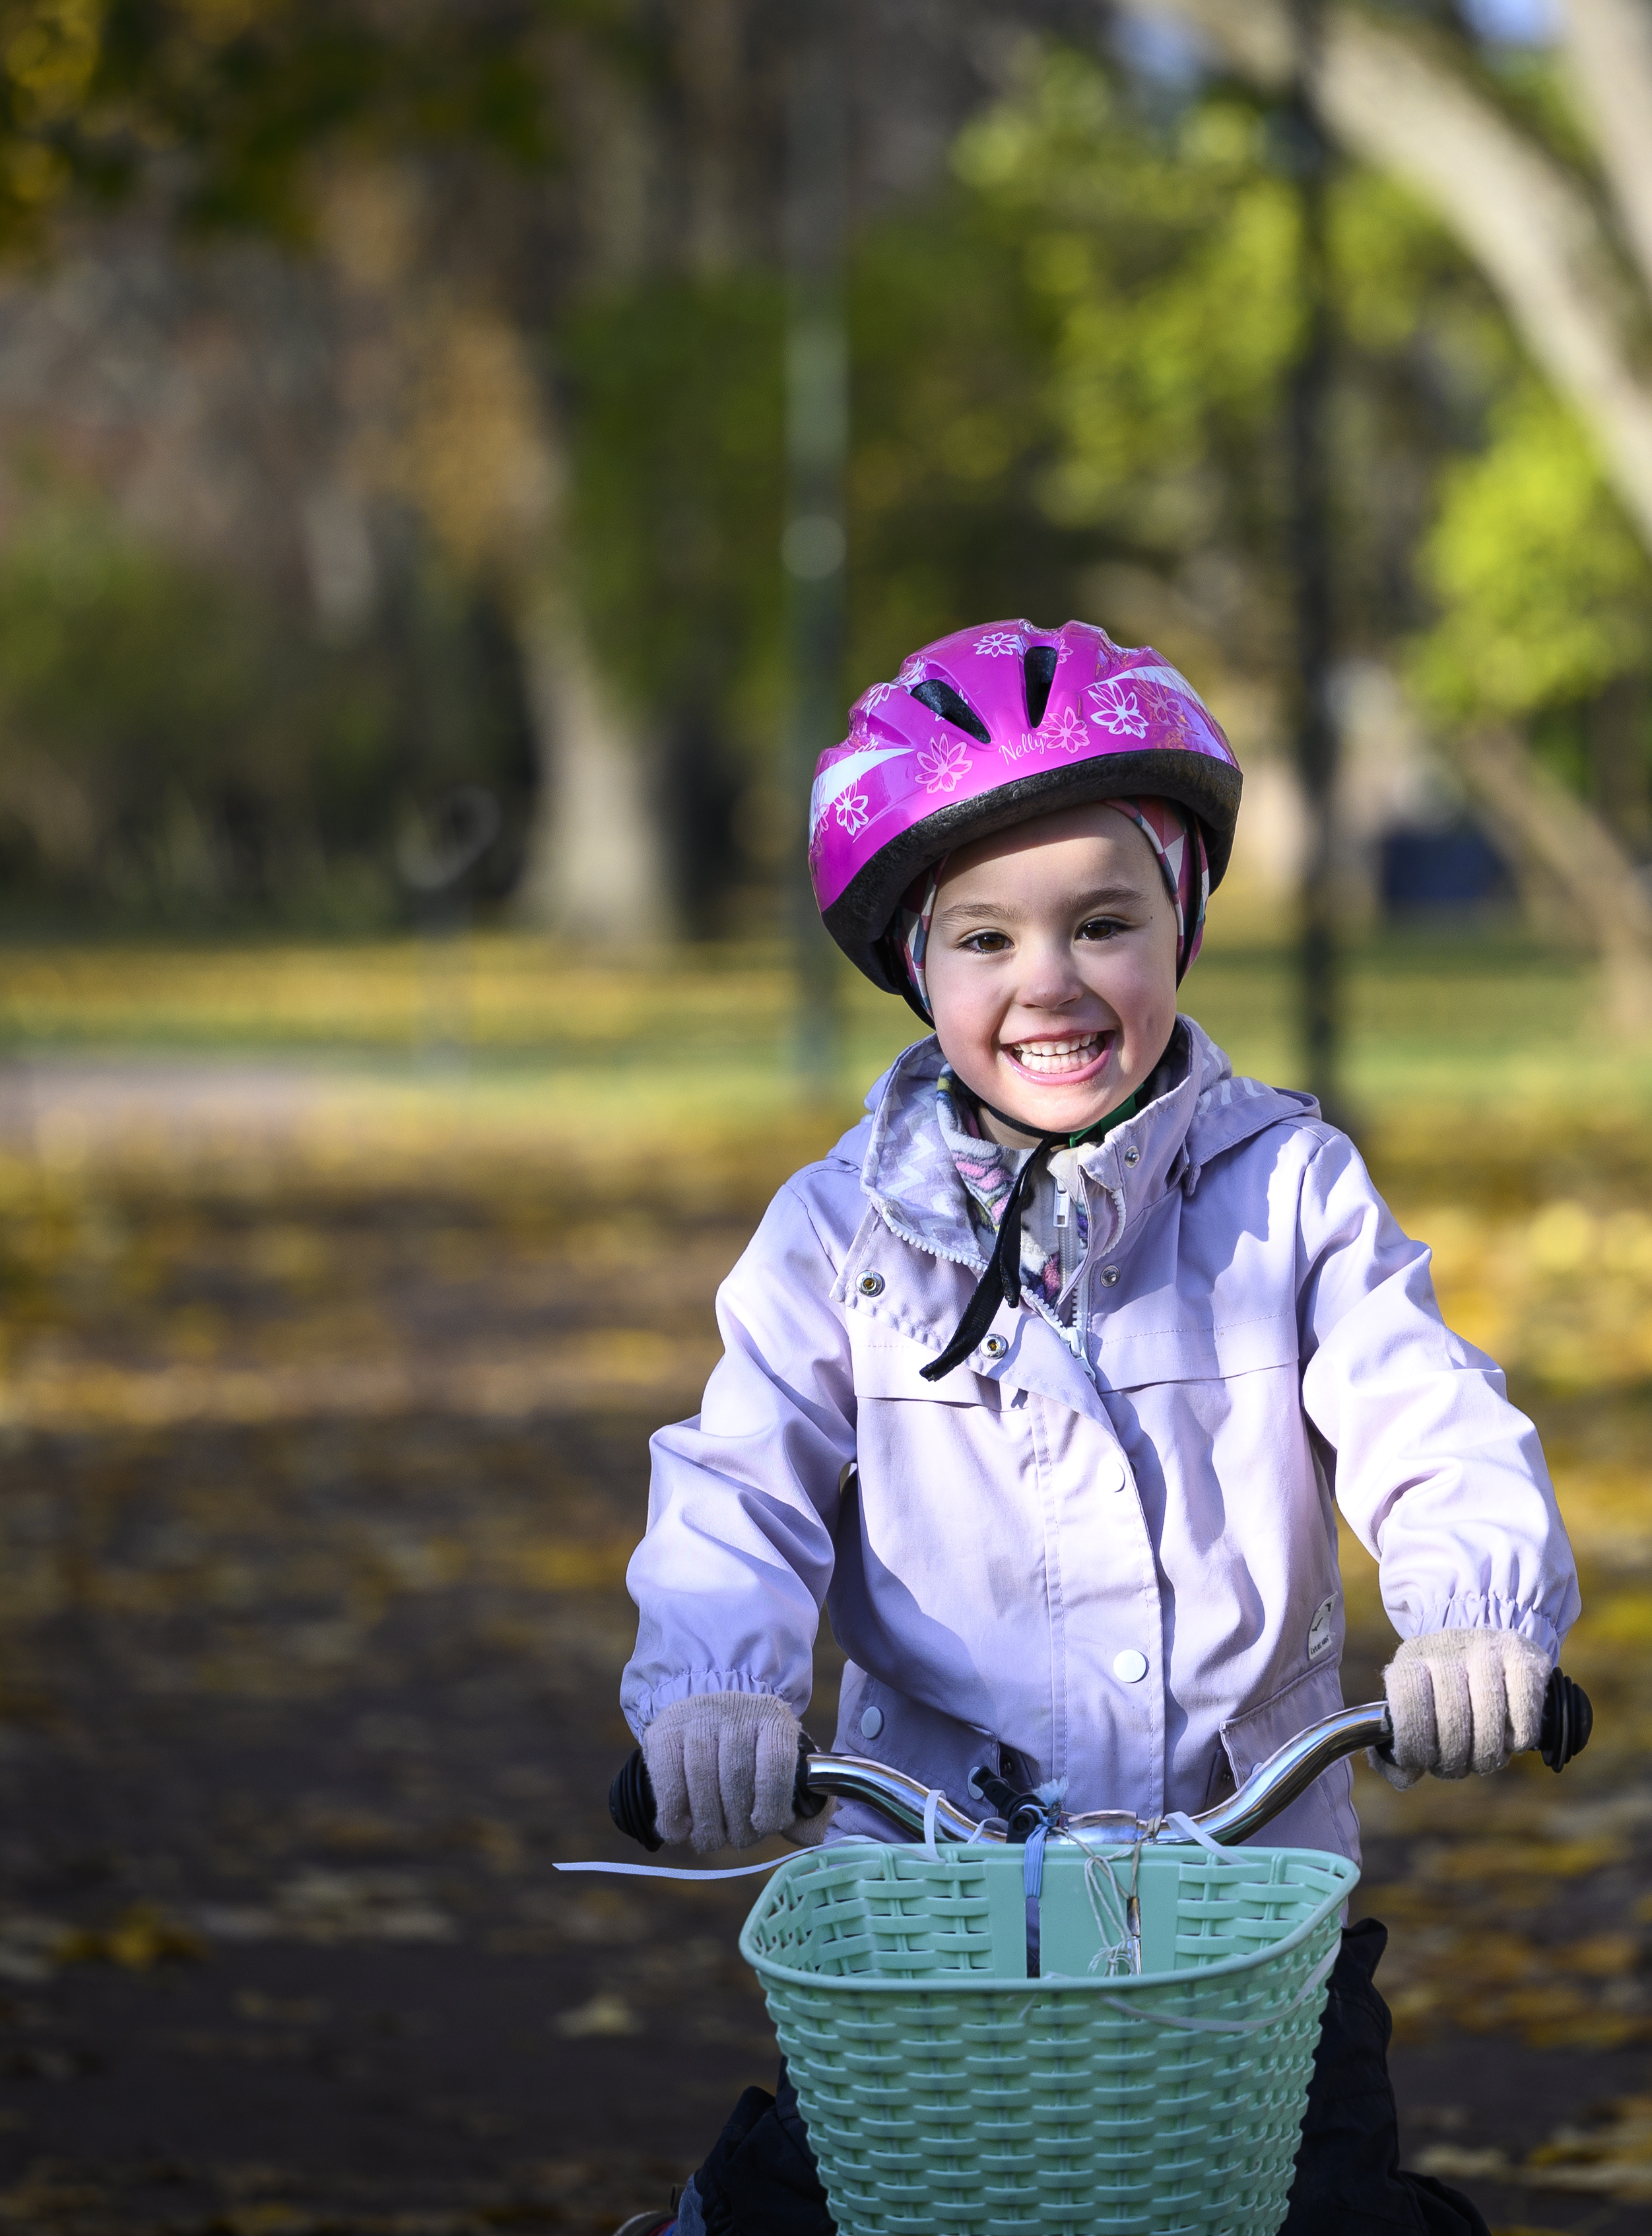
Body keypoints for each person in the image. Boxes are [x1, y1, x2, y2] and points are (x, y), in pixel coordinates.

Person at [614, 620, 1581, 2236]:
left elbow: (1428, 1410)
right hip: (936, 1903)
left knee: (1318, 2211)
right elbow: (738, 1477)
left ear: (1181, 927)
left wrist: (1473, 1613)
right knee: (826, 2211)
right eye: (984, 937)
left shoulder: (1285, 1192)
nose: (1048, 979)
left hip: (1245, 1902)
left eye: (1102, 922)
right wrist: (716, 1691)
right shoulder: (836, 1235)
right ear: (913, 965)